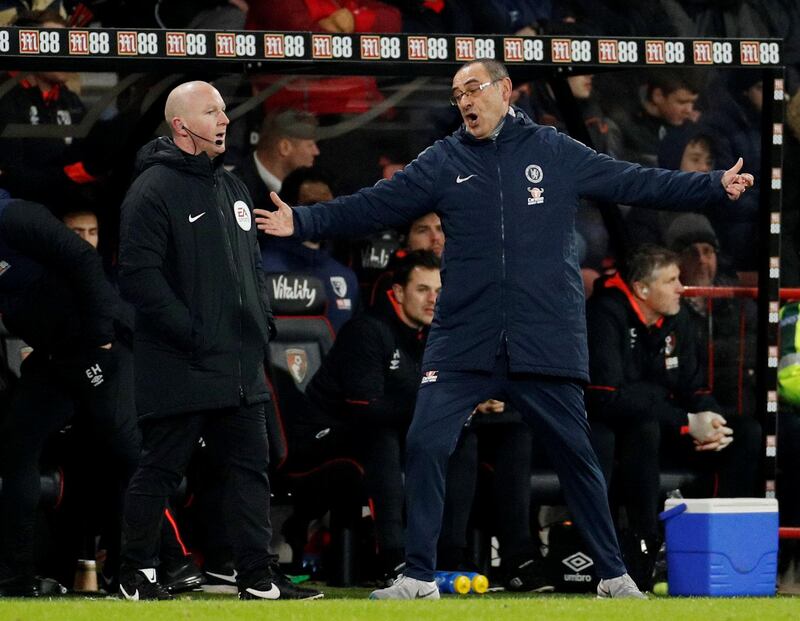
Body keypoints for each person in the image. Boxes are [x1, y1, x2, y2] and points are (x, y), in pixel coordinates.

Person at [255, 59, 754, 600]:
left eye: (473, 88)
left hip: (543, 340)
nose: (464, 101)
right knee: (425, 444)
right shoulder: (443, 159)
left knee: (577, 455)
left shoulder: (554, 150)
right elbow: (374, 204)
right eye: (456, 94)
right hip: (463, 340)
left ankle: (613, 576)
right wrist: (303, 221)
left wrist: (712, 185)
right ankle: (418, 575)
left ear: (505, 90)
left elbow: (635, 179)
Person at [117, 80, 322, 601]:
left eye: (225, 111)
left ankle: (257, 577)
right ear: (182, 125)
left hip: (238, 362)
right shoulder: (152, 188)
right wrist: (192, 331)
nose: (225, 120)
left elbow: (251, 265)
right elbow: (138, 278)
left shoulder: (232, 187)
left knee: (251, 472)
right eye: (212, 112)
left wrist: (262, 321)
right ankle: (135, 574)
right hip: (181, 362)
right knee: (162, 468)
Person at [585, 244, 761, 589]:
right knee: (643, 428)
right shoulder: (605, 315)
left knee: (747, 433)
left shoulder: (677, 318)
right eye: (672, 280)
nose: (682, 287)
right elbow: (608, 397)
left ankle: (718, 548)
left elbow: (692, 386)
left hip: (671, 424)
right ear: (642, 289)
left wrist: (710, 419)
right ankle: (644, 549)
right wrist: (684, 421)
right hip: (624, 433)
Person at [305, 250, 478, 583]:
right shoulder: (367, 331)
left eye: (439, 292)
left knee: (462, 436)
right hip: (324, 436)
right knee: (379, 434)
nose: (433, 300)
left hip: (387, 435)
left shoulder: (434, 336)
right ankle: (395, 558)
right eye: (423, 290)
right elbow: (364, 407)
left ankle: (451, 555)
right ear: (398, 292)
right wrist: (438, 410)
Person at [0, 192, 138, 597]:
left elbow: (84, 260)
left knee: (127, 451)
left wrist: (100, 339)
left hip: (99, 344)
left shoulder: (15, 216)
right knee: (16, 442)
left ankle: (152, 565)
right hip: (57, 356)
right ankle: (15, 573)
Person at [261, 167, 359, 333]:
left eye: (328, 206)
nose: (321, 214)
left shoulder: (346, 277)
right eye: (312, 206)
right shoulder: (263, 268)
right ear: (287, 208)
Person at [234, 109, 320, 211]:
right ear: (285, 147)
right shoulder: (235, 191)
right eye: (310, 145)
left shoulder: (295, 188)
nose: (316, 152)